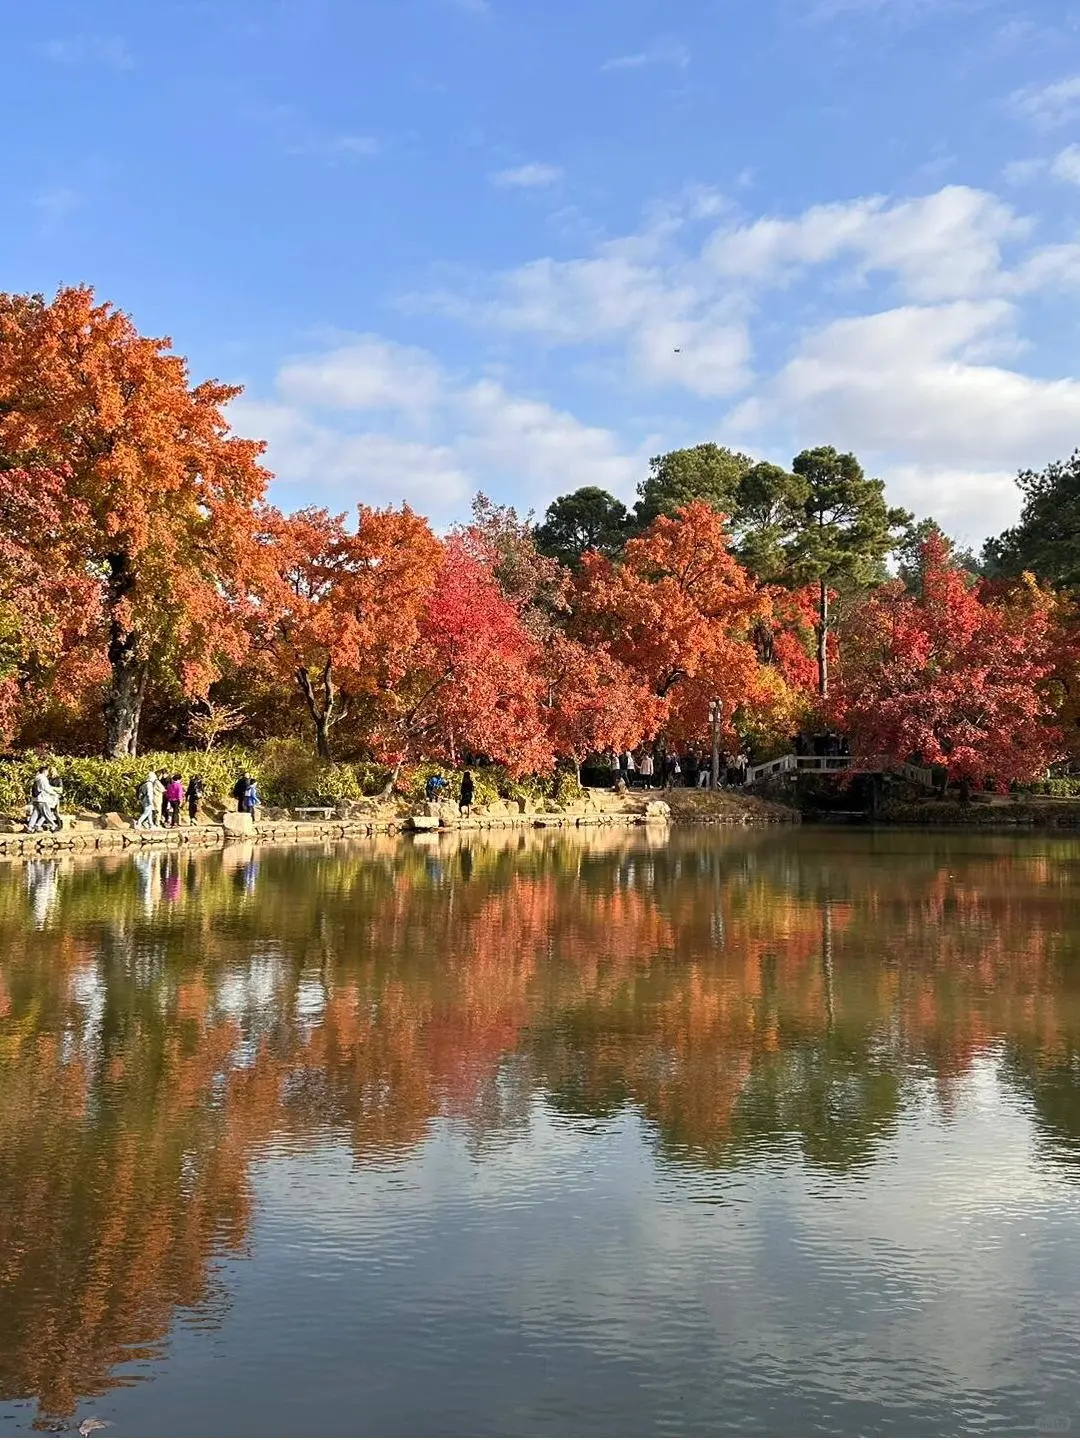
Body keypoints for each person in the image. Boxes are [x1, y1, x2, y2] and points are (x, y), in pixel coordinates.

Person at [27, 766, 61, 832]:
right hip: (42, 799)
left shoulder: (37, 778)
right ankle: (53, 826)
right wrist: (54, 793)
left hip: (35, 799)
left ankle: (30, 827)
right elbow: (46, 788)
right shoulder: (43, 778)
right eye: (47, 771)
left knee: (35, 813)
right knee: (47, 813)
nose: (48, 773)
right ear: (44, 771)